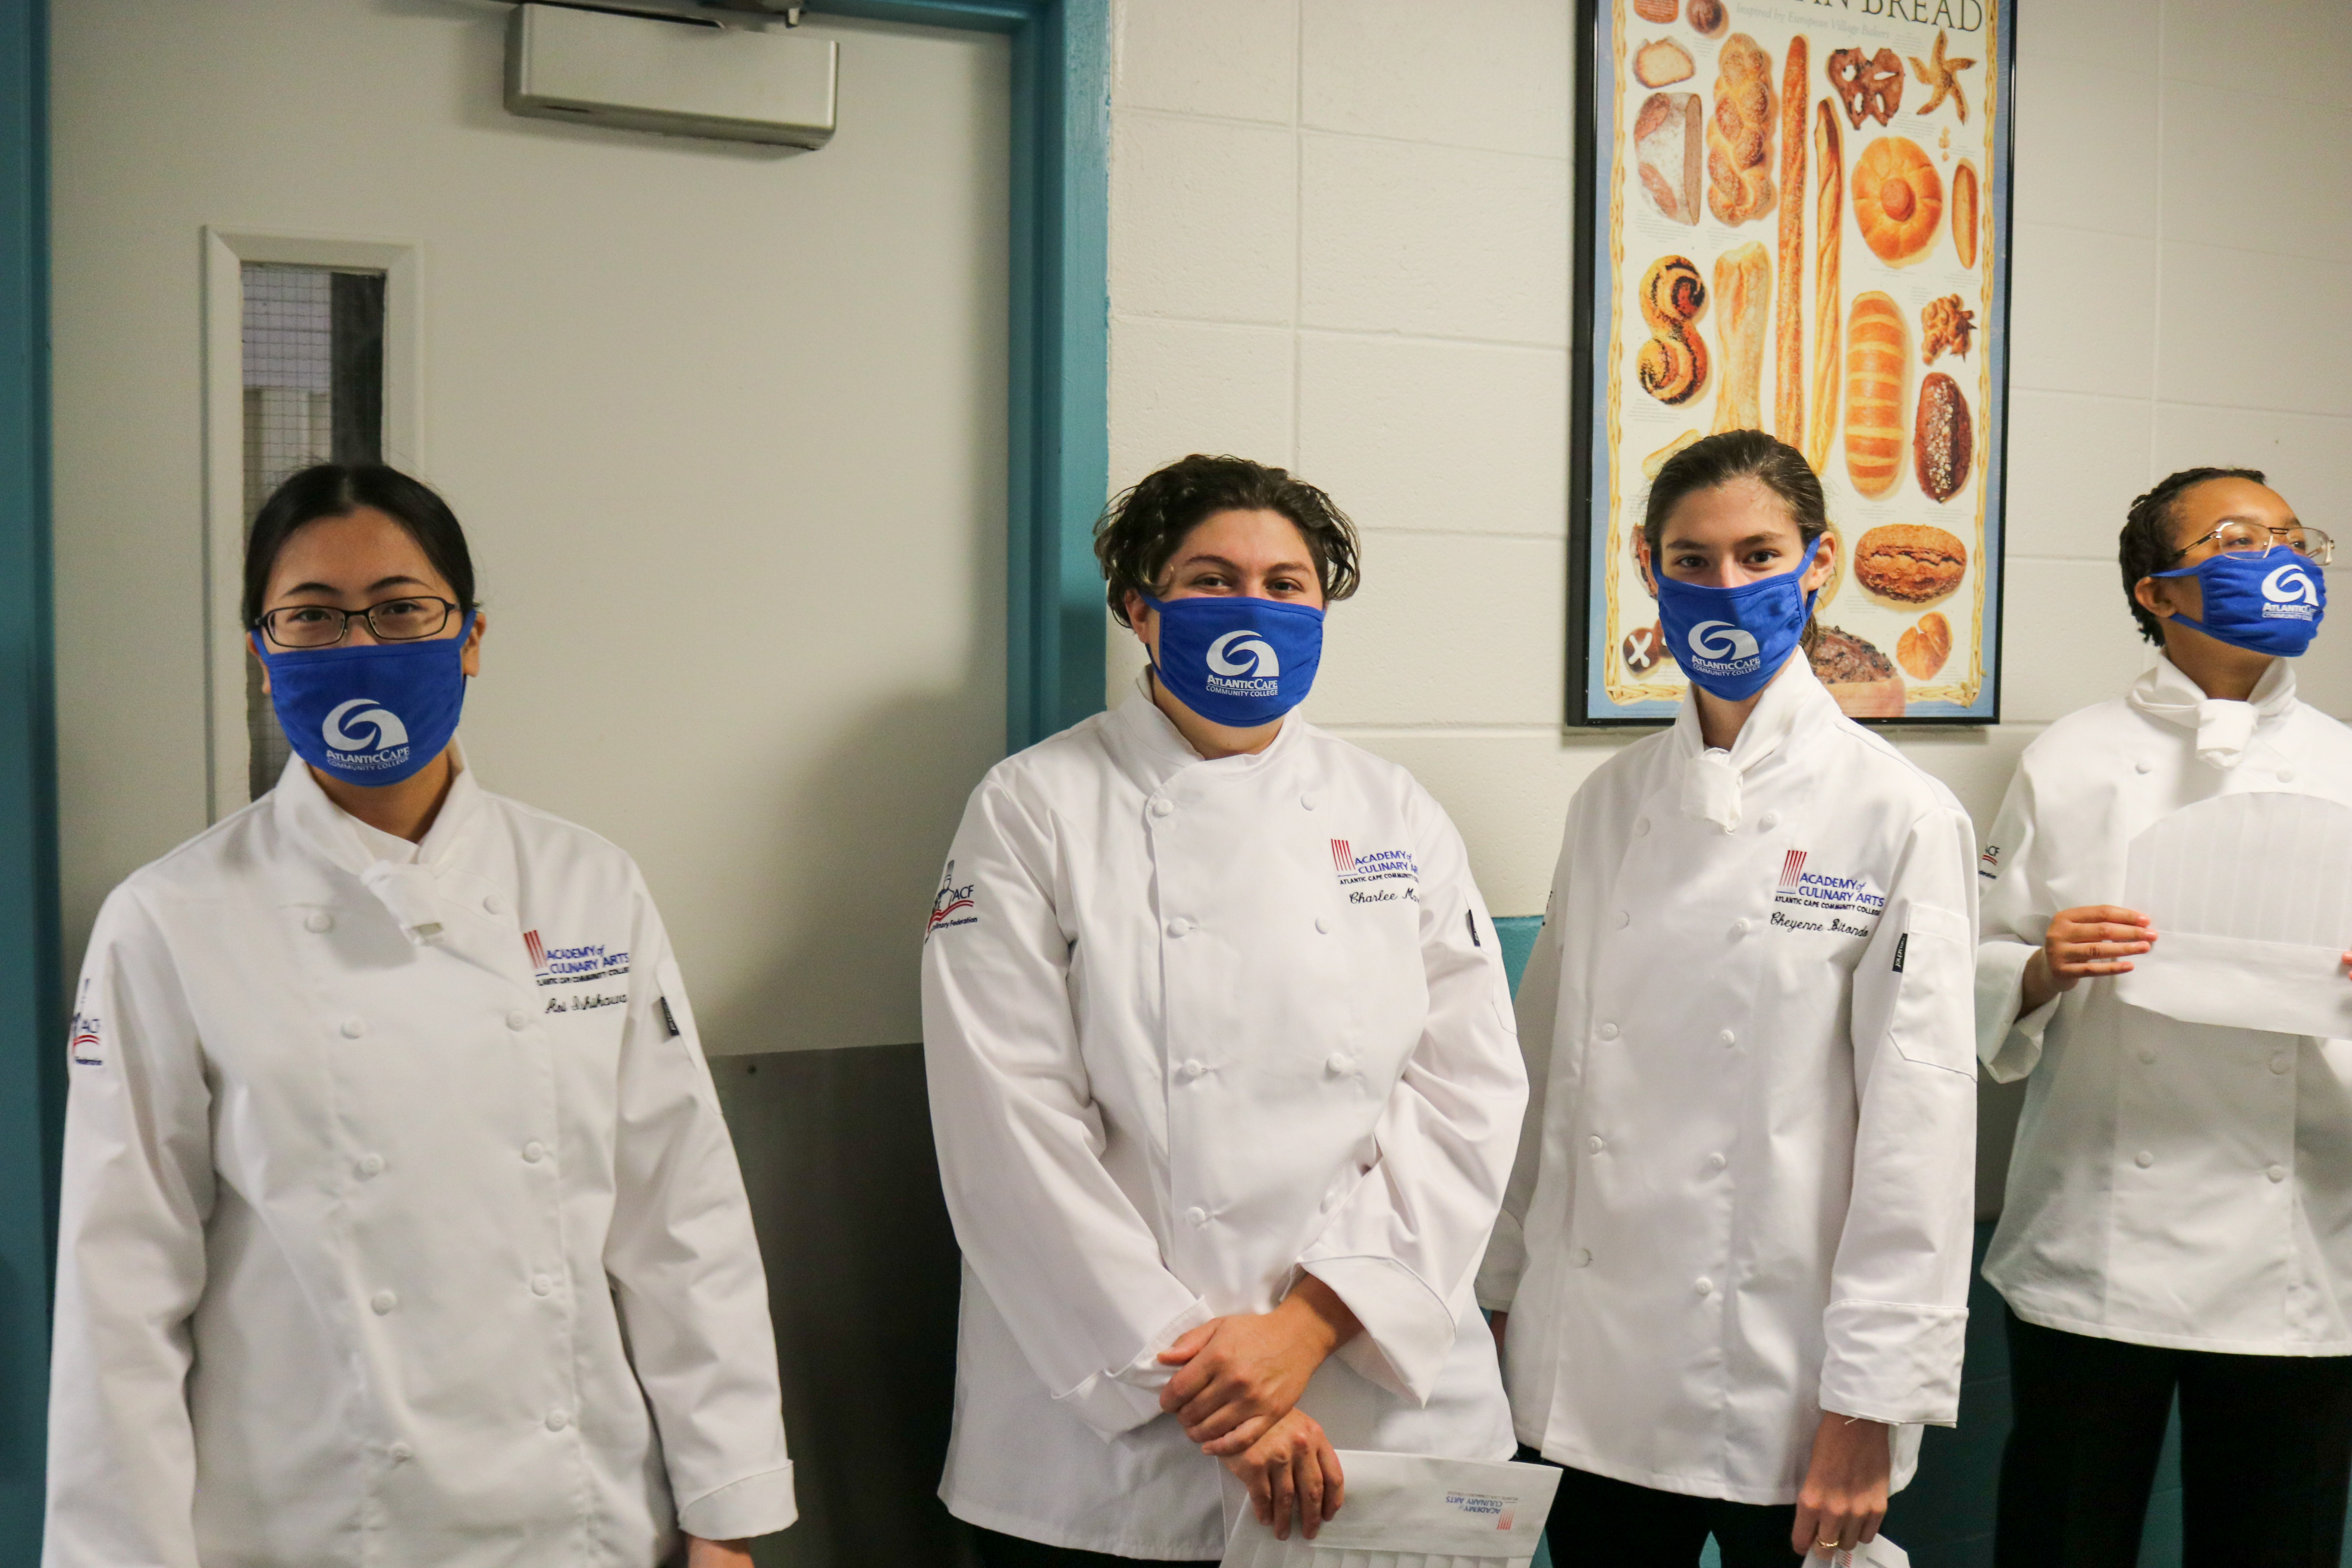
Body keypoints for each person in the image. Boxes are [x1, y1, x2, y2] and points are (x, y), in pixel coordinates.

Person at [44, 465, 794, 1568]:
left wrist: (725, 1511)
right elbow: (122, 1295)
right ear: (262, 654)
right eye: (312, 616)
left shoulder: (588, 885)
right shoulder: (168, 920)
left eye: (401, 609)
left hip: (583, 1519)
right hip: (311, 1527)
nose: (361, 647)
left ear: (472, 635)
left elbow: (681, 1220)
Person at [920, 454, 1527, 1566]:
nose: (1253, 607)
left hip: (1370, 1397)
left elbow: (1468, 1096)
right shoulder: (1032, 809)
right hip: (1120, 1434)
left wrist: (1306, 1328)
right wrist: (1217, 1392)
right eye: (1212, 578)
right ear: (1140, 607)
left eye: (1287, 585)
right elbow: (1007, 1132)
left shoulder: (1394, 811)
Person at [1479, 430, 1979, 1566]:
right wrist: (1502, 1299)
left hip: (1785, 1386)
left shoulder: (1898, 816)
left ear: (1819, 566)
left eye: (1760, 554)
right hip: (1588, 1373)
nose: (1726, 586)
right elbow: (1547, 1075)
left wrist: (1870, 1409)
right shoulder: (1609, 803)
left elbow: (1922, 1136)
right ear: (1649, 572)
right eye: (1691, 559)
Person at [1976, 466, 2352, 1567]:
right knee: (2063, 1537)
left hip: (2296, 1250)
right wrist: (2044, 966)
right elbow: (1977, 964)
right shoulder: (2073, 759)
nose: (2281, 559)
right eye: (2240, 539)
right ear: (2158, 592)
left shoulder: (2349, 763)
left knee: (2272, 1544)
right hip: (2100, 1237)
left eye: (2293, 537)